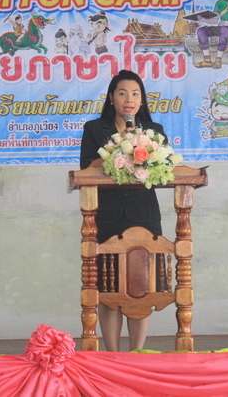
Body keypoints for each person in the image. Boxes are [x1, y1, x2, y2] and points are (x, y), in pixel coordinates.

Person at [80, 70, 166, 352]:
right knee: (109, 290)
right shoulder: (95, 129)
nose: (129, 99)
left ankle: (137, 354)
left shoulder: (154, 130)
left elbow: (164, 169)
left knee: (142, 288)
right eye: (122, 93)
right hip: (108, 217)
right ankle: (113, 355)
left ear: (141, 100)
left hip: (144, 216)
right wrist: (118, 150)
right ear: (111, 98)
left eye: (135, 94)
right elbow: (86, 168)